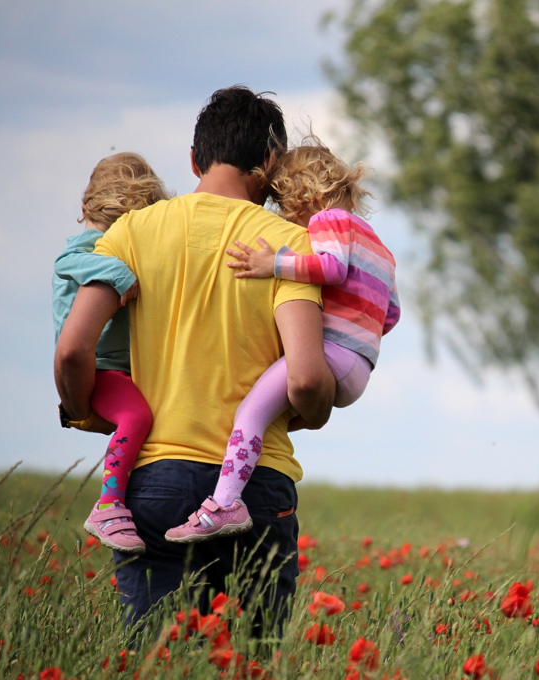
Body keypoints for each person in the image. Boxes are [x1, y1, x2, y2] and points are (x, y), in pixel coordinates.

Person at [54, 86, 335, 632]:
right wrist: (317, 408)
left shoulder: (131, 232)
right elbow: (304, 378)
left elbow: (71, 348)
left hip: (154, 480)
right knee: (253, 661)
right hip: (256, 486)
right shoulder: (289, 246)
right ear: (271, 164)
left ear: (193, 159)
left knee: (159, 657)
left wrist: (84, 409)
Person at [164, 142, 401, 543]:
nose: (287, 216)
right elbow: (390, 314)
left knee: (250, 413)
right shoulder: (380, 246)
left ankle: (224, 504)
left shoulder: (329, 221)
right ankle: (237, 483)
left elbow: (331, 267)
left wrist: (271, 263)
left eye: (284, 203)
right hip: (360, 366)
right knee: (272, 414)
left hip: (331, 355)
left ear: (301, 194)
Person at [52, 152, 169, 554]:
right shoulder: (88, 248)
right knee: (137, 416)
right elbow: (68, 261)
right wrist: (120, 273)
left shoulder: (109, 243)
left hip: (120, 369)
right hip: (100, 369)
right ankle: (109, 505)